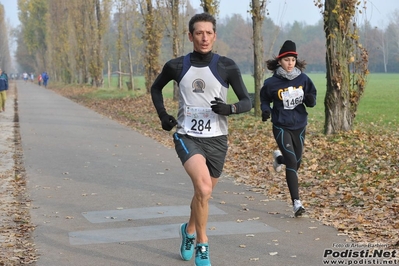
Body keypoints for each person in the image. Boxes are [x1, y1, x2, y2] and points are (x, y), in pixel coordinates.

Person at [151, 13, 251, 266]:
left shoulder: (226, 66)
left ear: (214, 36)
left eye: (208, 33)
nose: (204, 37)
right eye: (199, 33)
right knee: (204, 189)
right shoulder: (177, 65)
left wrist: (230, 109)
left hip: (217, 140)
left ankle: (189, 230)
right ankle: (202, 244)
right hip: (187, 136)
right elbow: (155, 88)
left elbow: (247, 101)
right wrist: (163, 116)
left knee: (202, 194)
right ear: (190, 36)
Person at [260, 40, 317, 217]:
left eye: (293, 60)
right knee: (292, 161)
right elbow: (264, 99)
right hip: (281, 125)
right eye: (286, 60)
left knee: (296, 162)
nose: (290, 63)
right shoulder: (271, 83)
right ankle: (296, 203)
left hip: (299, 124)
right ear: (280, 61)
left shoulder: (304, 79)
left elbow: (312, 98)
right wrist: (265, 110)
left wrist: (309, 99)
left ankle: (280, 159)